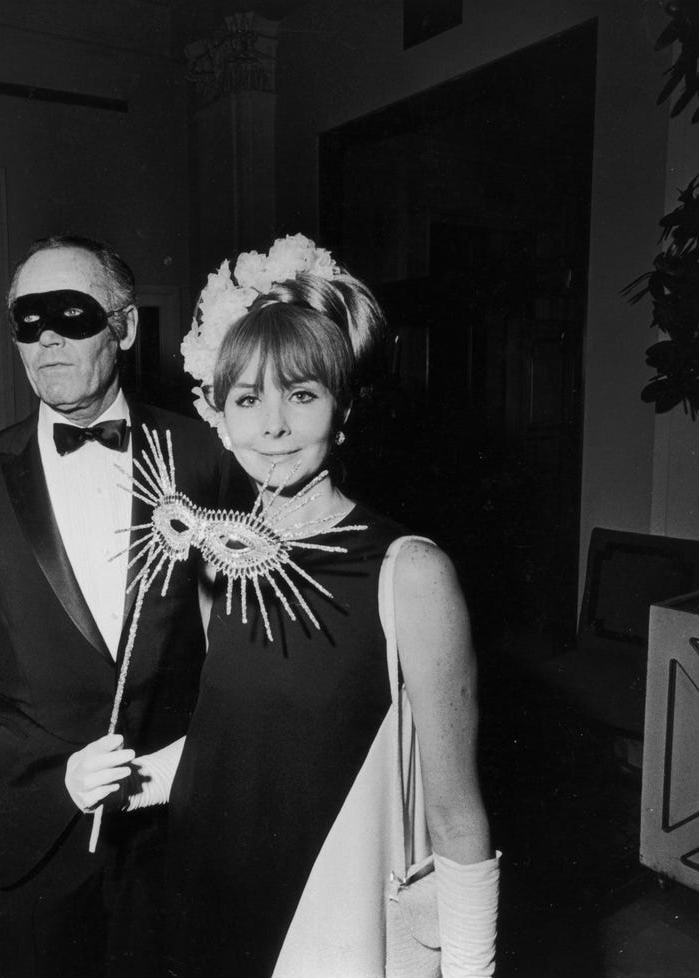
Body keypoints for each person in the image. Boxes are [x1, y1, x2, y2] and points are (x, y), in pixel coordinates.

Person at [81, 240, 499, 977]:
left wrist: (471, 969)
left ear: (343, 410)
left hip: (328, 913)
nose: (272, 426)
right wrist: (121, 782)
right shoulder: (217, 558)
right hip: (208, 896)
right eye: (248, 399)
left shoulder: (412, 574)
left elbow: (457, 817)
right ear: (220, 416)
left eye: (301, 395)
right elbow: (233, 746)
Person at [0, 234, 230, 978]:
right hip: (26, 832)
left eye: (71, 314)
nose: (46, 336)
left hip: (176, 830)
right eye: (26, 319)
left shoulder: (207, 456)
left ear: (123, 326)